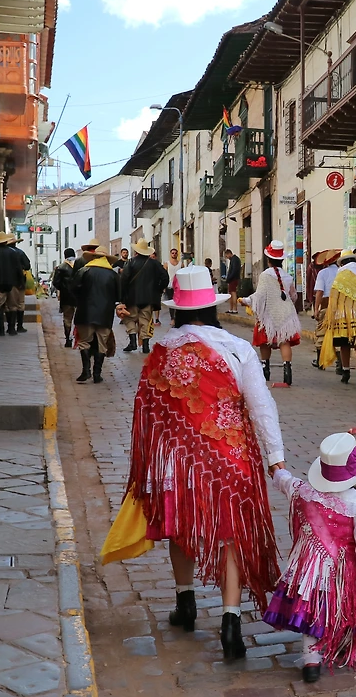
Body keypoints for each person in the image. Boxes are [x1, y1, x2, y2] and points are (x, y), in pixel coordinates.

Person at [100, 265, 286, 662]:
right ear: (211, 307)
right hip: (230, 458)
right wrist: (276, 460)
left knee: (181, 527)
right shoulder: (237, 349)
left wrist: (151, 462)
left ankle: (185, 603)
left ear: (177, 310)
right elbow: (261, 407)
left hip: (178, 462)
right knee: (231, 535)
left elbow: (148, 411)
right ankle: (231, 620)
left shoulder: (162, 350)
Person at [263, 433, 356, 683]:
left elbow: (287, 483)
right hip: (340, 570)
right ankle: (338, 645)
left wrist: (277, 471)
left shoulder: (305, 492)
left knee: (311, 610)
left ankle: (311, 661)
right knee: (337, 607)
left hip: (307, 566)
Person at [243, 241, 301, 385]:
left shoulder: (265, 275)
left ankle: (265, 369)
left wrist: (246, 300)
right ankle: (287, 371)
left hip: (268, 314)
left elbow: (259, 296)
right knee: (284, 342)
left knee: (265, 342)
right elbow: (293, 296)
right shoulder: (288, 276)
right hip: (285, 314)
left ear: (268, 260)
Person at [321, 253, 356, 390]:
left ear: (342, 263)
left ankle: (346, 372)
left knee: (344, 345)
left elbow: (333, 299)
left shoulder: (339, 277)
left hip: (342, 316)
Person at [72, 250, 120, 384]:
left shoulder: (83, 271)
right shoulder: (113, 274)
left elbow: (74, 289)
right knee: (102, 344)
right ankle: (97, 374)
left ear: (93, 257)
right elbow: (118, 295)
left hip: (85, 312)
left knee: (84, 341)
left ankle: (86, 370)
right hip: (105, 314)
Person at [119, 239, 170, 354]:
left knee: (129, 318)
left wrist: (122, 296)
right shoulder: (155, 263)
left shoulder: (131, 262)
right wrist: (158, 289)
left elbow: (124, 280)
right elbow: (165, 277)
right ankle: (145, 346)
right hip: (149, 298)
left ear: (137, 251)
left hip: (132, 298)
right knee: (145, 320)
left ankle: (132, 341)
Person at [0, 232, 29, 337]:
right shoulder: (13, 252)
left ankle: (1, 330)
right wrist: (21, 282)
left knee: (0, 305)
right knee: (12, 306)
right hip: (13, 283)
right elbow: (18, 269)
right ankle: (11, 328)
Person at [310, 249, 342, 369]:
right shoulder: (342, 272)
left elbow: (319, 292)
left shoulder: (322, 273)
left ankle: (320, 361)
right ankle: (340, 363)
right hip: (340, 305)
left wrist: (316, 309)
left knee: (321, 332)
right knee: (338, 332)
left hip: (326, 304)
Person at [52, 248, 79, 347]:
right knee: (80, 319)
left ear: (65, 256)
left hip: (66, 298)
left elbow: (55, 282)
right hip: (79, 298)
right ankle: (80, 339)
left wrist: (63, 289)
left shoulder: (61, 267)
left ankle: (68, 339)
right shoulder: (80, 266)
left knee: (67, 319)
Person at [10, 236, 33, 334]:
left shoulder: (5, 253)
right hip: (19, 281)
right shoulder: (20, 253)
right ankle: (19, 326)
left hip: (7, 281)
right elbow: (27, 265)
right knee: (20, 303)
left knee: (10, 304)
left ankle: (10, 327)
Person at [163, 247, 182, 324]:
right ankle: (172, 318)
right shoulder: (167, 264)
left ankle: (178, 317)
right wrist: (164, 286)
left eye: (175, 253)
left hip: (179, 285)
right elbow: (164, 275)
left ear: (177, 254)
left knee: (179, 302)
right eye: (172, 253)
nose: (174, 254)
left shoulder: (181, 264)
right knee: (171, 301)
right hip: (169, 285)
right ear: (170, 254)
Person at [223, 248, 243, 315]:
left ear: (229, 254)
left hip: (233, 279)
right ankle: (231, 309)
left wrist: (229, 278)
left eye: (226, 256)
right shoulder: (234, 260)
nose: (227, 257)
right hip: (232, 279)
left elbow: (234, 271)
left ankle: (234, 309)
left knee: (233, 293)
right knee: (231, 293)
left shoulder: (235, 260)